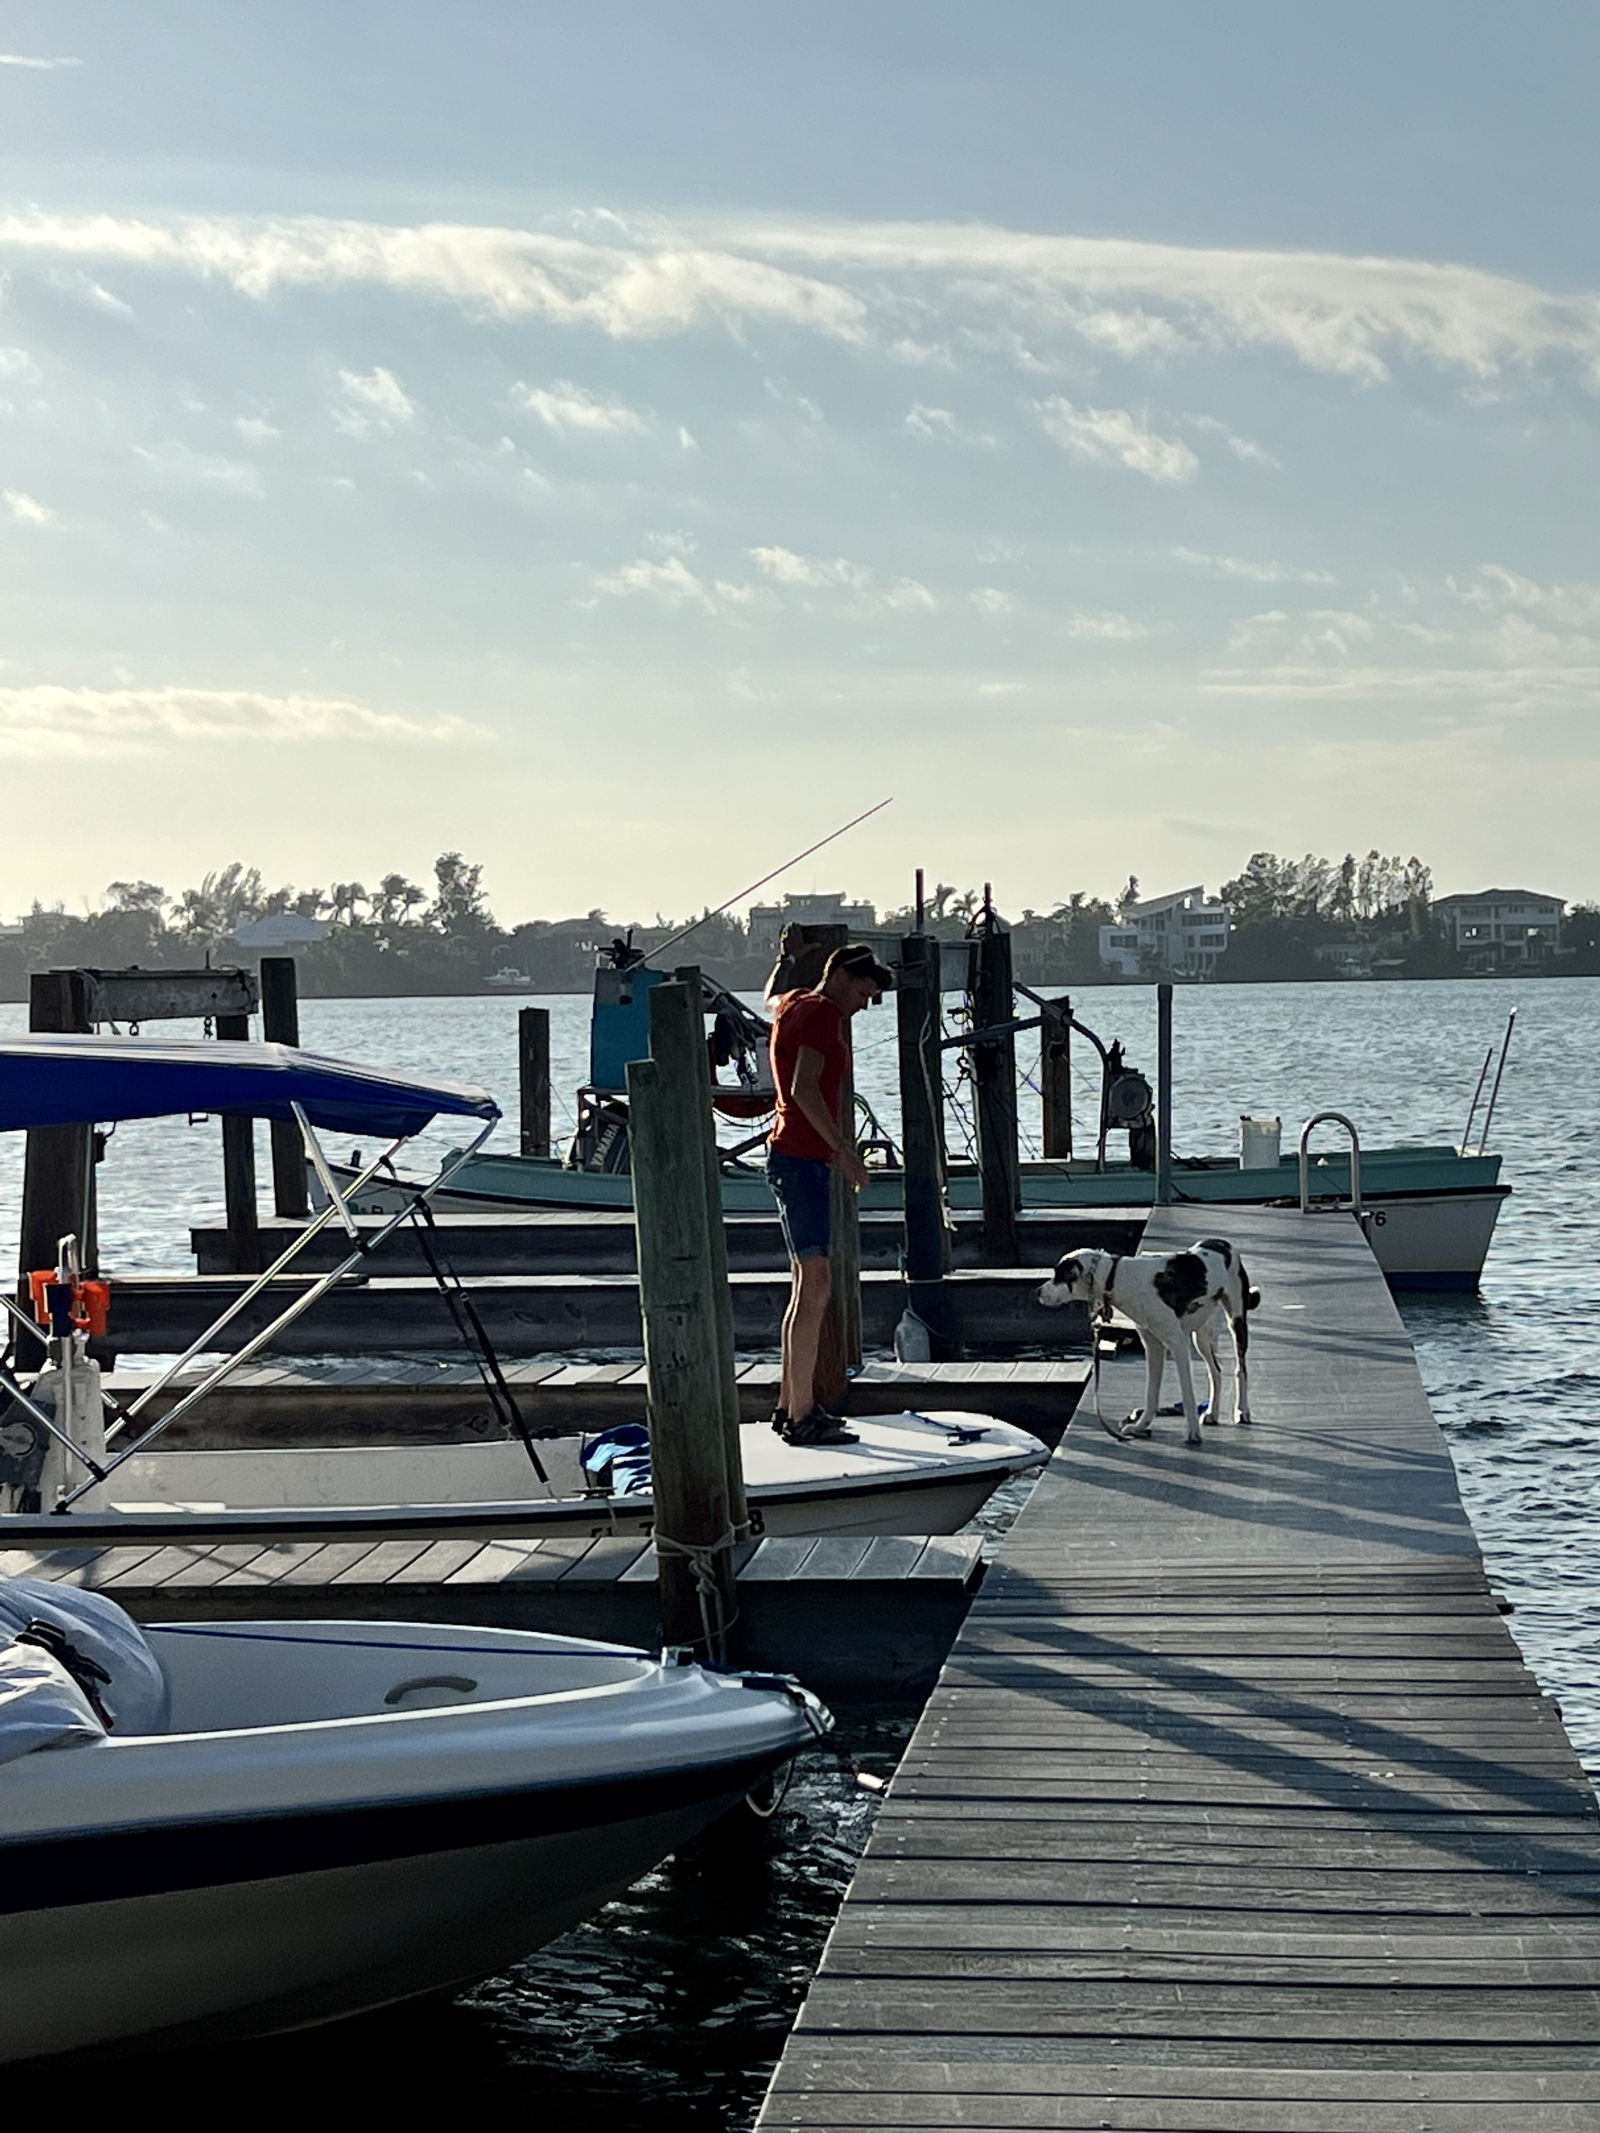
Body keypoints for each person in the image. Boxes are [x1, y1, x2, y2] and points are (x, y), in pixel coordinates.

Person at [763, 931, 894, 1445]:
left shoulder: (795, 1002)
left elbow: (770, 996)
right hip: (802, 1162)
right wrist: (844, 1151)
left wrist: (786, 959)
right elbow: (804, 1089)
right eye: (862, 993)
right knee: (816, 1287)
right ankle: (801, 1417)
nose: (863, 1005)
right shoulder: (819, 1013)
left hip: (792, 1159)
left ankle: (788, 1404)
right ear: (840, 976)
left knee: (806, 1286)